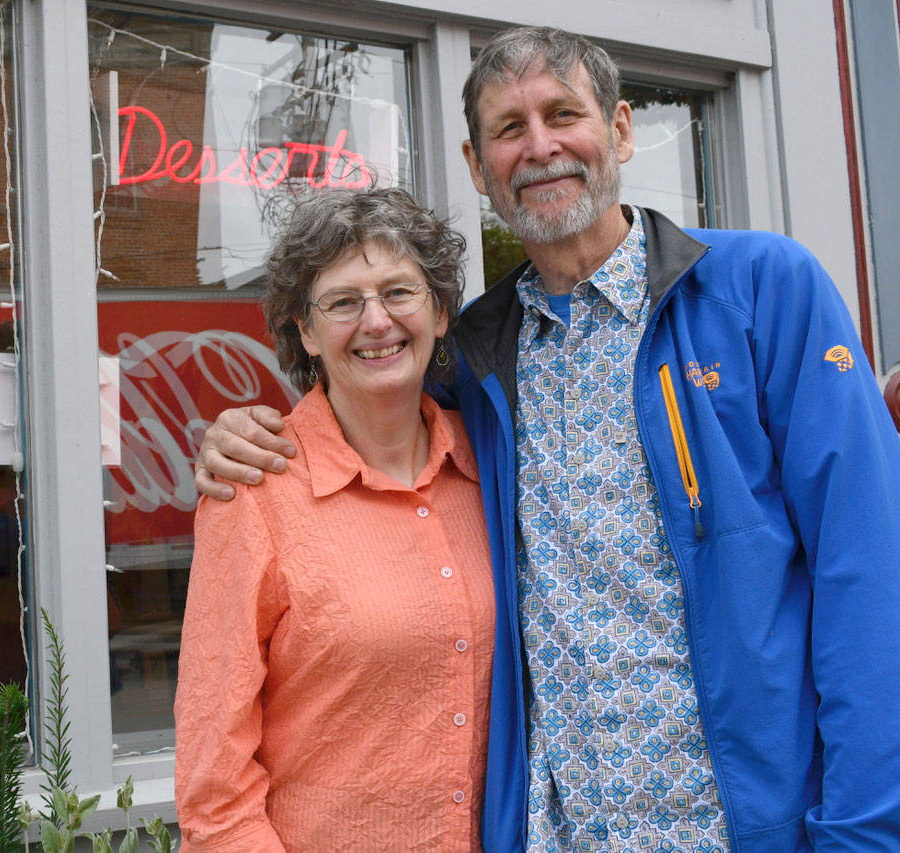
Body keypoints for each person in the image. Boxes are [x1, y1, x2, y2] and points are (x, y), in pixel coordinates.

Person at [193, 25, 900, 852]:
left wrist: (862, 829)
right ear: (476, 162)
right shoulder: (477, 359)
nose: (540, 147)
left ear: (623, 130)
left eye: (562, 113)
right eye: (507, 128)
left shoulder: (762, 291)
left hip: (739, 829)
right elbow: (364, 385)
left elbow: (869, 573)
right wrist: (238, 433)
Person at [174, 187, 496, 851]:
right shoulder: (256, 492)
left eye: (399, 293)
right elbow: (215, 784)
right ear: (307, 331)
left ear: (439, 314)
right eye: (344, 302)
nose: (376, 321)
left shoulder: (493, 464)